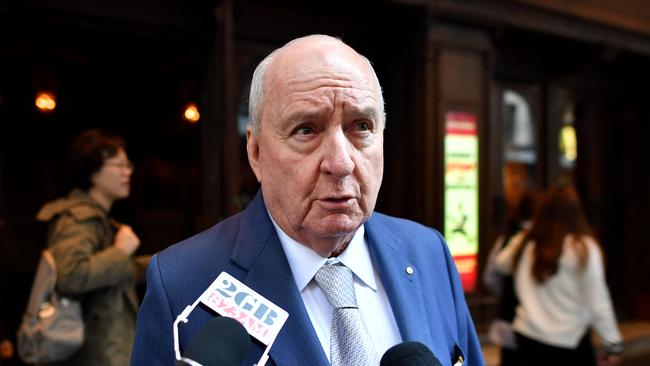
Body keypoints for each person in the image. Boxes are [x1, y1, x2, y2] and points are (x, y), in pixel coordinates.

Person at [131, 35, 484, 366]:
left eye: (361, 126)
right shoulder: (180, 281)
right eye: (306, 130)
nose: (341, 162)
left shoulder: (428, 250)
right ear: (255, 152)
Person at [36, 129, 148, 366]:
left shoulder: (99, 218)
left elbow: (117, 271)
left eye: (128, 165)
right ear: (93, 171)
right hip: (94, 355)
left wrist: (166, 263)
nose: (127, 171)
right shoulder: (78, 218)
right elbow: (72, 276)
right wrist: (120, 251)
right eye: (119, 165)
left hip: (104, 351)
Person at [494, 185, 623, 366]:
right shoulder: (583, 248)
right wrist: (612, 343)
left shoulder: (528, 244)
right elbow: (598, 300)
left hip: (526, 339)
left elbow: (500, 264)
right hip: (570, 342)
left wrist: (524, 234)